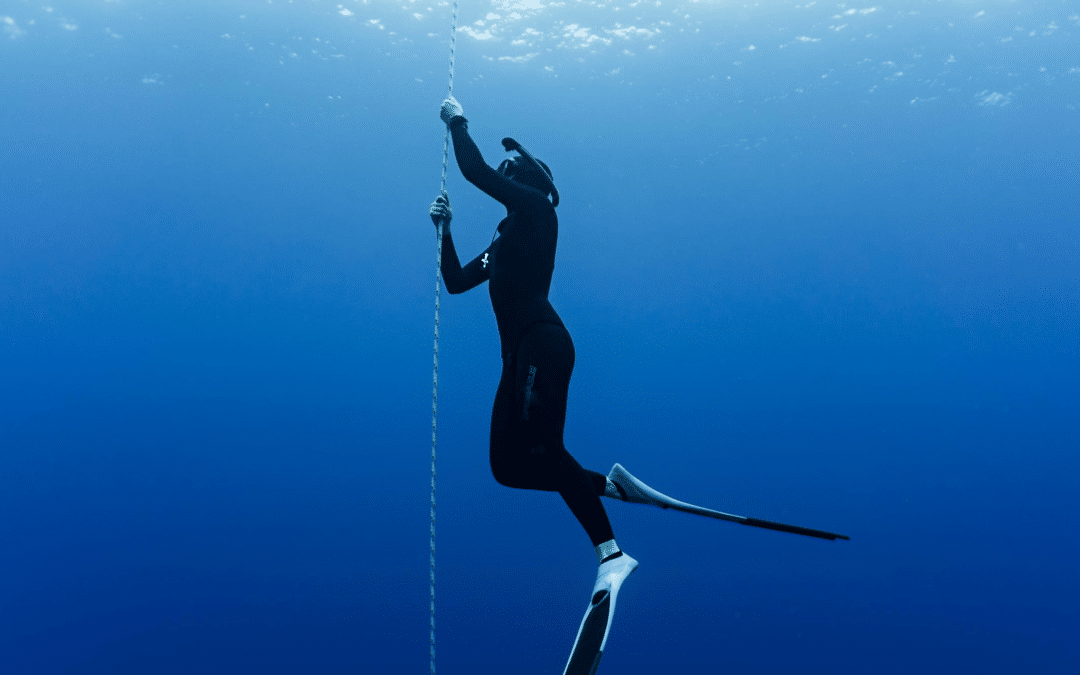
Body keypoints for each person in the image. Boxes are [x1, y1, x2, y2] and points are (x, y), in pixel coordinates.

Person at [429, 96, 639, 598]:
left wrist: (457, 121)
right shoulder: (503, 242)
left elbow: (474, 170)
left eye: (512, 167)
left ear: (531, 181)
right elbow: (456, 282)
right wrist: (446, 232)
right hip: (517, 358)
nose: (503, 171)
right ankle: (608, 486)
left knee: (545, 448)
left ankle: (612, 555)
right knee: (508, 466)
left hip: (543, 343)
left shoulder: (539, 210)